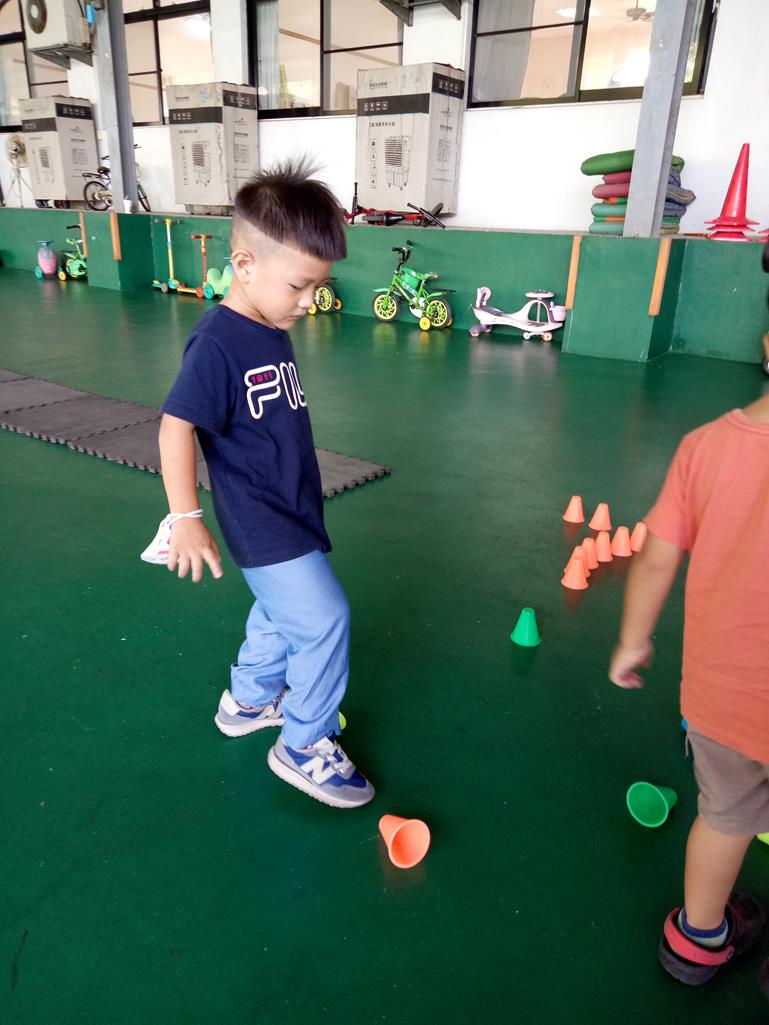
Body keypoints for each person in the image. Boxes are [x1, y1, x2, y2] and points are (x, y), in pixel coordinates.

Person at [157, 161, 374, 809]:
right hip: (261, 518)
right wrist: (185, 516)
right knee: (325, 620)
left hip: (291, 505)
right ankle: (303, 744)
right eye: (299, 286)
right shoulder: (218, 341)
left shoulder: (268, 326)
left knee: (280, 614)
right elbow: (175, 426)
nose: (308, 302)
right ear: (245, 264)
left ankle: (248, 702)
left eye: (317, 287)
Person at [609, 244, 769, 993]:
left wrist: (632, 640)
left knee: (726, 814)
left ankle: (698, 941)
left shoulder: (704, 448)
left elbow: (653, 559)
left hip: (722, 703)